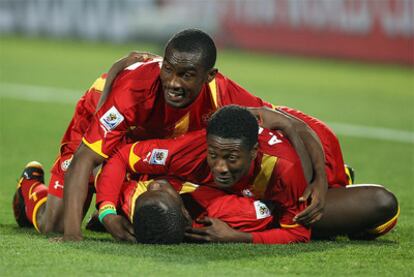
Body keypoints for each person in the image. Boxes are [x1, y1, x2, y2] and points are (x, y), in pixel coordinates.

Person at [13, 29, 328, 241]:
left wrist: (320, 182)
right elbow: (85, 158)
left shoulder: (223, 94)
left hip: (148, 139)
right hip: (100, 121)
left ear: (208, 77)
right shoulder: (133, 93)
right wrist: (73, 238)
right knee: (54, 222)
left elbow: (290, 125)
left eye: (187, 75)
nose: (174, 83)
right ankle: (30, 185)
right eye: (169, 71)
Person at [96, 106, 399, 243]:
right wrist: (107, 210)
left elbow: (297, 233)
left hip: (318, 156)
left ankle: (340, 180)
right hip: (259, 186)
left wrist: (238, 237)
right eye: (214, 156)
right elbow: (124, 156)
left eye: (230, 159)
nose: (220, 166)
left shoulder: (284, 168)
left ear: (253, 153)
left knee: (381, 205)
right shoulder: (192, 149)